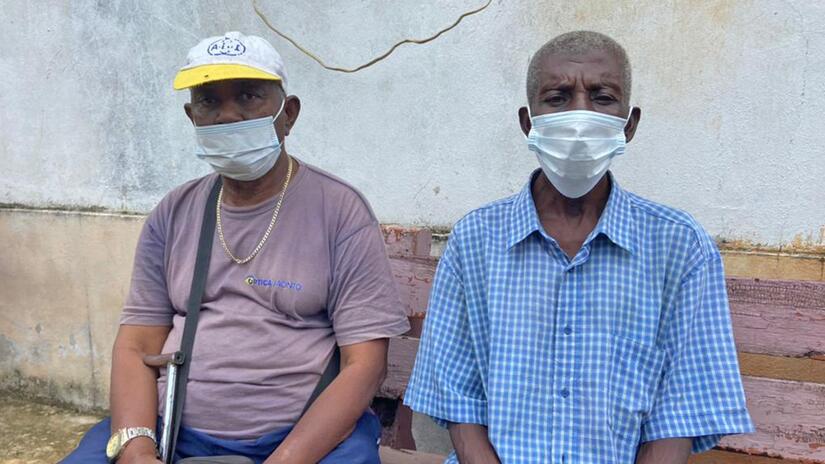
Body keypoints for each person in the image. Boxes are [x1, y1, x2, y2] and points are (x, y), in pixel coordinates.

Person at [404, 30, 754, 464]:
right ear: (528, 121)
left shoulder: (679, 245)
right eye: (559, 96)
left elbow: (680, 412)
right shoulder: (476, 239)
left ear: (629, 123)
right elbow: (459, 398)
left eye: (602, 96)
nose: (580, 114)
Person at [62, 31, 409, 464]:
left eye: (248, 96)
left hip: (302, 436)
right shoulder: (174, 212)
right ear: (192, 116)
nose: (228, 116)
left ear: (289, 114)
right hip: (173, 428)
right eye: (209, 101)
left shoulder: (339, 211)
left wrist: (286, 460)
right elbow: (135, 344)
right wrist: (136, 446)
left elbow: (364, 364)